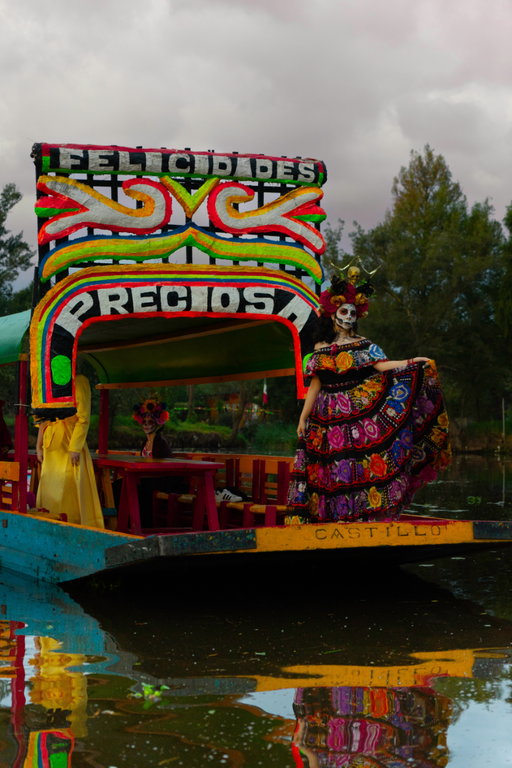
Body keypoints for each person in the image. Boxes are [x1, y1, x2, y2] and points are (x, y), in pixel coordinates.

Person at [287, 271, 450, 523]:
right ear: (332, 312)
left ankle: (357, 516)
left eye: (353, 313)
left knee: (355, 463)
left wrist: (412, 361)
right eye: (344, 311)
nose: (348, 317)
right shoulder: (320, 348)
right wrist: (303, 416)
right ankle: (331, 517)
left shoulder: (363, 344)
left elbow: (383, 366)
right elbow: (316, 384)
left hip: (354, 413)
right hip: (324, 415)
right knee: (329, 466)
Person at [36, 374, 104, 528]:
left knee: (68, 485)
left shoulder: (78, 381)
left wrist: (75, 447)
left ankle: (73, 524)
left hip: (69, 441)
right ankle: (48, 523)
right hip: (51, 445)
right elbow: (43, 419)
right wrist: (39, 446)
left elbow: (83, 418)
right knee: (50, 485)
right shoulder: (49, 382)